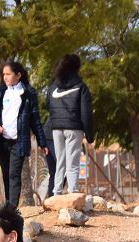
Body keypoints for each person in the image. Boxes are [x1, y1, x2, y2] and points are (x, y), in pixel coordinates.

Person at [0, 61, 48, 207]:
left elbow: (35, 120)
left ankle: (12, 209)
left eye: (8, 74)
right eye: (4, 75)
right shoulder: (0, 92)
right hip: (2, 141)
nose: (5, 77)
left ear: (18, 75)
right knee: (6, 175)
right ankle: (8, 205)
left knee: (14, 175)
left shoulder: (28, 93)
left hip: (19, 142)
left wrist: (42, 142)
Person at [45, 54, 94, 195]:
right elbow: (86, 113)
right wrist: (90, 135)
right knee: (72, 163)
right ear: (77, 67)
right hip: (74, 129)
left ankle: (57, 192)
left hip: (56, 129)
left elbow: (48, 105)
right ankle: (73, 192)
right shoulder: (81, 87)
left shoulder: (53, 87)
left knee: (60, 161)